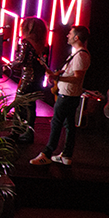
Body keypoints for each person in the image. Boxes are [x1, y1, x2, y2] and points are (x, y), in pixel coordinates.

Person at [32, 25, 91, 166]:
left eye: (70, 34)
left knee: (56, 123)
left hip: (67, 96)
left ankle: (47, 154)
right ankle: (66, 155)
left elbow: (77, 77)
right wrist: (56, 75)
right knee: (69, 125)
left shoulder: (80, 56)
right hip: (69, 95)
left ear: (76, 37)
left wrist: (58, 78)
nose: (67, 36)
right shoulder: (77, 54)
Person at [8, 17, 52, 134]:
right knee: (30, 106)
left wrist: (7, 65)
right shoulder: (43, 45)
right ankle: (28, 133)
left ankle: (16, 132)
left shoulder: (26, 43)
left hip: (27, 77)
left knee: (19, 105)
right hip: (37, 79)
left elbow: (21, 60)